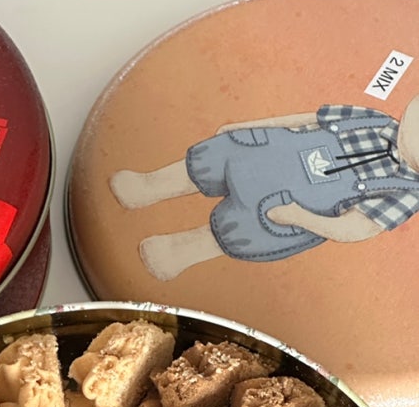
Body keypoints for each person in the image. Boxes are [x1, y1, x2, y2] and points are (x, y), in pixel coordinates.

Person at [110, 96, 419, 281]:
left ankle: (177, 251)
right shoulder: (373, 118)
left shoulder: (407, 192)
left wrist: (299, 217)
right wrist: (247, 126)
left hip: (286, 206)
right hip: (264, 153)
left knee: (245, 229)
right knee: (216, 157)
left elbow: (356, 228)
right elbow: (307, 119)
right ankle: (148, 186)